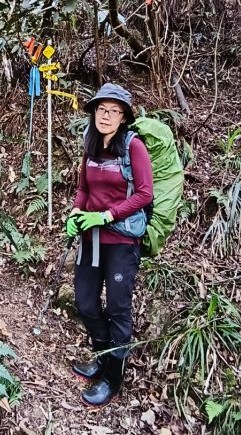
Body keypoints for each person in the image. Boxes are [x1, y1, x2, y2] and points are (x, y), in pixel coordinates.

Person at [64, 83, 153, 408]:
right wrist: (76, 212)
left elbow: (144, 194)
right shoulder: (90, 147)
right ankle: (102, 357)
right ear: (94, 113)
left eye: (114, 111)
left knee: (117, 308)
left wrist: (105, 215)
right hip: (90, 238)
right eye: (102, 109)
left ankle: (113, 376)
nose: (107, 115)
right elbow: (83, 188)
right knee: (86, 303)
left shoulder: (134, 147)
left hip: (122, 241)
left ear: (123, 117)